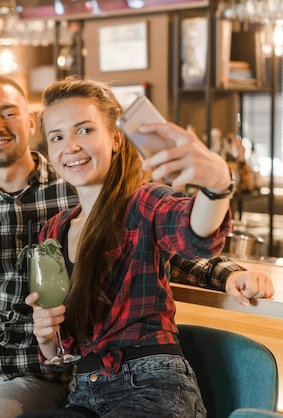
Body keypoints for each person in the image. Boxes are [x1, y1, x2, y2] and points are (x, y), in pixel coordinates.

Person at [0, 71, 274, 418]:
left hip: (71, 375)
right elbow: (55, 338)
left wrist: (225, 245)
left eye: (8, 113)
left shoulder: (88, 188)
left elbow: (175, 238)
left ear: (28, 125)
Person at [20, 76, 235, 417]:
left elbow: (195, 231)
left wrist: (218, 185)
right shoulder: (54, 231)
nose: (71, 146)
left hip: (154, 387)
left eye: (85, 131)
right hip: (86, 391)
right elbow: (64, 347)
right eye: (57, 137)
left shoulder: (143, 203)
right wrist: (48, 338)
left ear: (116, 139)